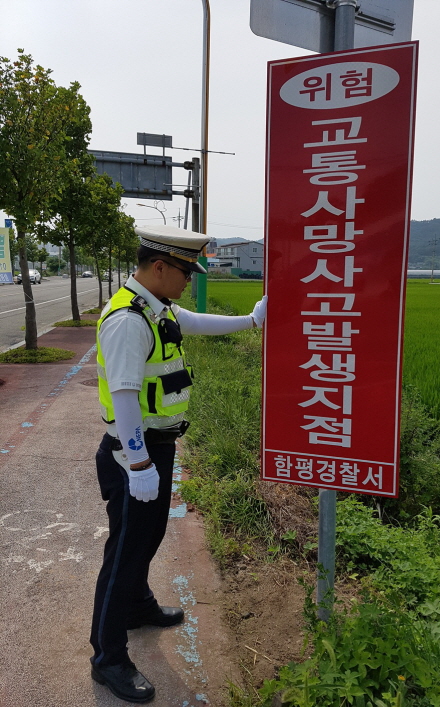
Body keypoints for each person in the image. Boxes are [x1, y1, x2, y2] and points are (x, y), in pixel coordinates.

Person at [90, 224, 267, 703]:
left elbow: (195, 322)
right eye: (186, 272)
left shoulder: (156, 306)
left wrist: (251, 321)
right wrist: (139, 463)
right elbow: (124, 397)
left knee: (146, 539)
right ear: (159, 267)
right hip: (134, 453)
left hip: (156, 448)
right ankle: (107, 657)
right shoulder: (128, 320)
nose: (189, 280)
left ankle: (137, 606)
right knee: (124, 554)